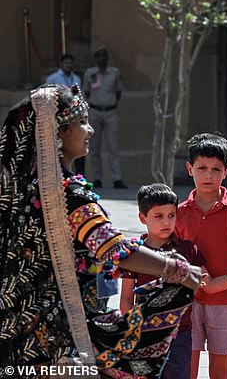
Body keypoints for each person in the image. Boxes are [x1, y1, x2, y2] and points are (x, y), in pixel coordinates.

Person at [0, 84, 203, 376]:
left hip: (21, 334)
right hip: (64, 337)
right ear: (58, 133)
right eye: (81, 122)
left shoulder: (22, 196)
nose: (90, 130)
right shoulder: (70, 194)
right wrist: (176, 269)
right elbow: (113, 247)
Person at [175, 133, 227, 379]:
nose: (208, 175)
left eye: (215, 169)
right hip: (188, 304)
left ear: (226, 172)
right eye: (201, 168)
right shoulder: (178, 214)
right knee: (187, 366)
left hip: (225, 303)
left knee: (220, 370)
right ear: (190, 169)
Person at [120, 183, 206, 379]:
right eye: (158, 216)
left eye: (171, 215)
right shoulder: (134, 253)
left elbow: (199, 285)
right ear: (143, 218)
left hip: (180, 333)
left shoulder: (187, 250)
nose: (166, 222)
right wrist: (131, 331)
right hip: (144, 333)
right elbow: (126, 298)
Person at [82, 46, 126, 189]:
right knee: (94, 147)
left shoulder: (114, 73)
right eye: (99, 57)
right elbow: (86, 92)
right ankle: (97, 178)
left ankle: (117, 178)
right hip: (95, 111)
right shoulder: (90, 73)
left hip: (110, 112)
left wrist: (111, 104)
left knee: (113, 147)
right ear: (96, 59)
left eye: (104, 56)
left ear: (107, 59)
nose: (101, 59)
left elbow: (119, 91)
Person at [46, 53, 86, 175]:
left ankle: (79, 176)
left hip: (74, 116)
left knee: (79, 144)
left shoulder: (76, 79)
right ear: (61, 64)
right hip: (59, 117)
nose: (69, 66)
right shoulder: (53, 78)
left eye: (70, 63)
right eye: (66, 63)